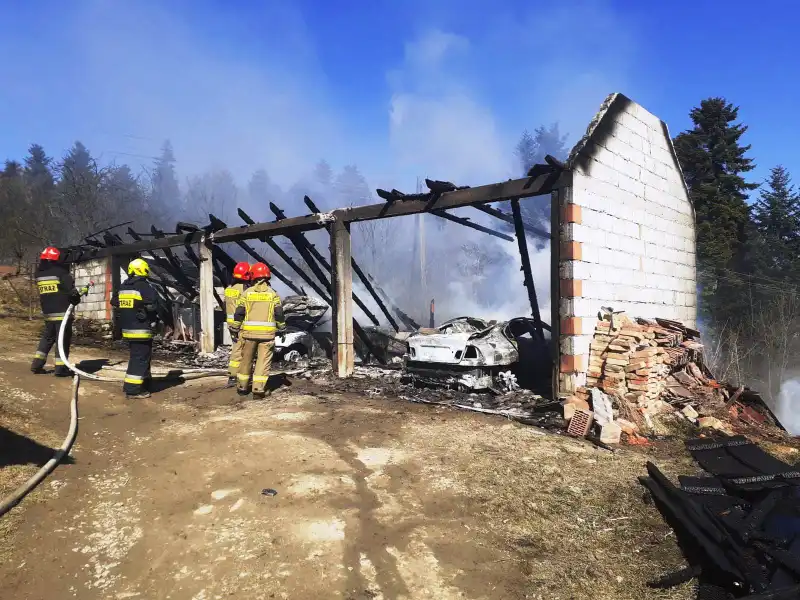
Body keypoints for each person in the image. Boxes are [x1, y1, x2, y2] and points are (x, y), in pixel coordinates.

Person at [230, 262, 285, 399]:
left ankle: (242, 387)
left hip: (248, 335)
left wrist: (235, 328)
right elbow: (279, 314)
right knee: (263, 361)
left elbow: (239, 313)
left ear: (253, 276)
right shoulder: (273, 294)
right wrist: (282, 327)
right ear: (267, 277)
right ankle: (258, 389)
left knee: (246, 360)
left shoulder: (247, 293)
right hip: (267, 336)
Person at [111, 257, 161, 399]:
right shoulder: (143, 286)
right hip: (141, 329)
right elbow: (153, 305)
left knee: (139, 357)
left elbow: (114, 301)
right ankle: (133, 389)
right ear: (144, 270)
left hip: (127, 330)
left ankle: (144, 383)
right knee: (140, 358)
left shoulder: (124, 286)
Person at [31, 246, 86, 376]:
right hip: (62, 313)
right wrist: (79, 295)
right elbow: (72, 294)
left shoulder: (39, 274)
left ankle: (37, 365)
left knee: (48, 338)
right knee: (62, 339)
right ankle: (60, 369)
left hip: (48, 313)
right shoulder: (62, 273)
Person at [224, 262, 251, 388]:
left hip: (231, 325)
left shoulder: (229, 289)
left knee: (237, 348)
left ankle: (236, 374)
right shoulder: (244, 290)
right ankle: (234, 376)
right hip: (240, 325)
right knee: (239, 351)